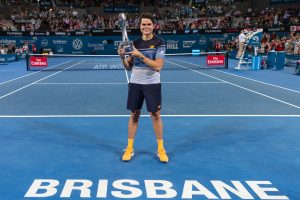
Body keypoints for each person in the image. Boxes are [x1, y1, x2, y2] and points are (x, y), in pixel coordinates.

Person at [118, 13, 169, 163]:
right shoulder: (134, 43)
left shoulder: (160, 42)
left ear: (153, 26)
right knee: (134, 115)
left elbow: (158, 66)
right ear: (140, 27)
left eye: (149, 24)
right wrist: (122, 57)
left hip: (152, 84)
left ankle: (160, 148)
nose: (146, 27)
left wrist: (140, 55)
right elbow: (128, 67)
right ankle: (129, 148)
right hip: (135, 83)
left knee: (155, 115)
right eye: (143, 24)